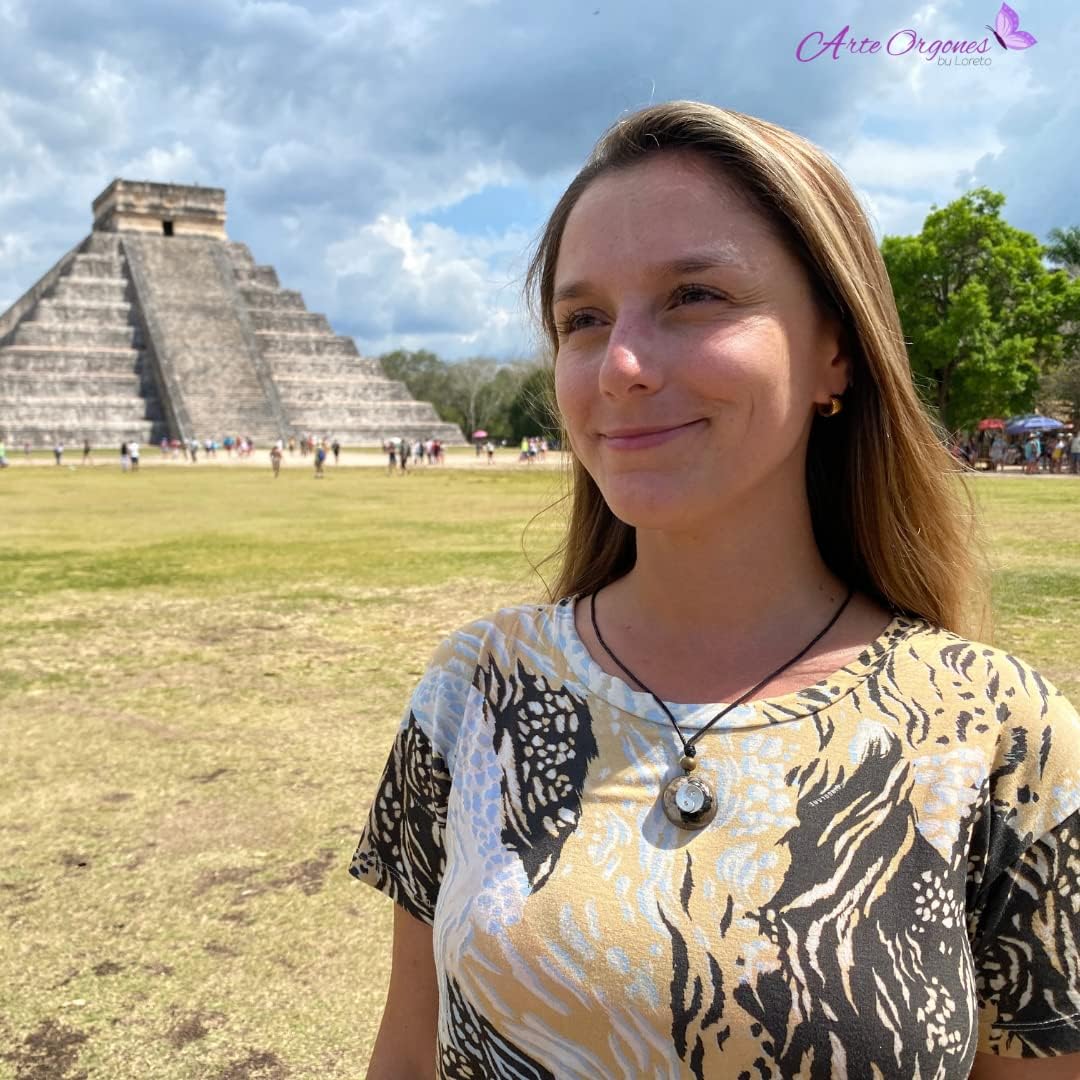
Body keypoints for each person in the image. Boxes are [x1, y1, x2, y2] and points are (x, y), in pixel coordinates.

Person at [351, 103, 1080, 1080]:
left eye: (694, 295)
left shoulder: (1007, 735)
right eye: (582, 319)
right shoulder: (473, 692)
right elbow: (409, 1052)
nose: (622, 367)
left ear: (837, 349)